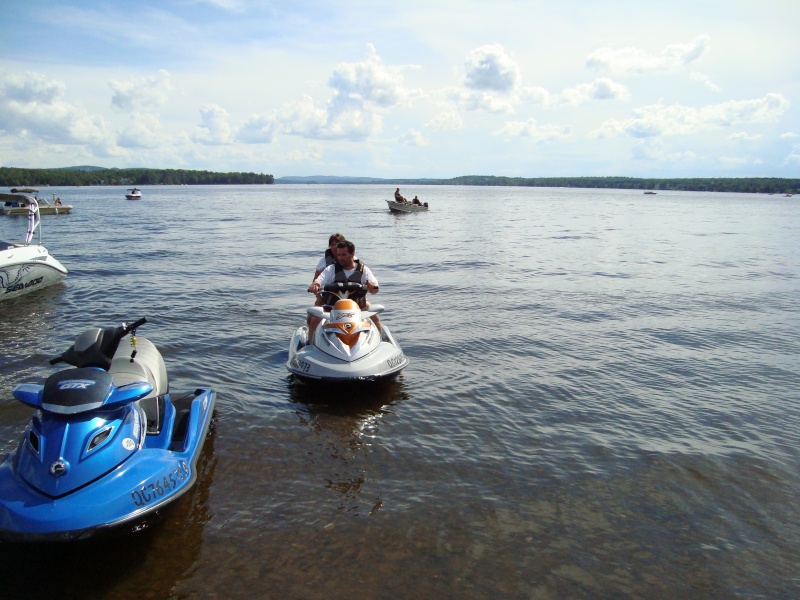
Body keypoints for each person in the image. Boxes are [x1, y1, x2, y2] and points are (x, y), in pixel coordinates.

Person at [307, 240, 381, 341]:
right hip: (332, 307)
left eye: (343, 255)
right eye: (338, 255)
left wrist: (372, 286)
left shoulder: (364, 270)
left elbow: (375, 290)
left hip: (357, 306)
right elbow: (319, 280)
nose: (340, 258)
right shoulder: (331, 269)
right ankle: (311, 345)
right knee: (314, 320)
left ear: (352, 254)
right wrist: (315, 285)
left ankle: (379, 342)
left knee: (375, 318)